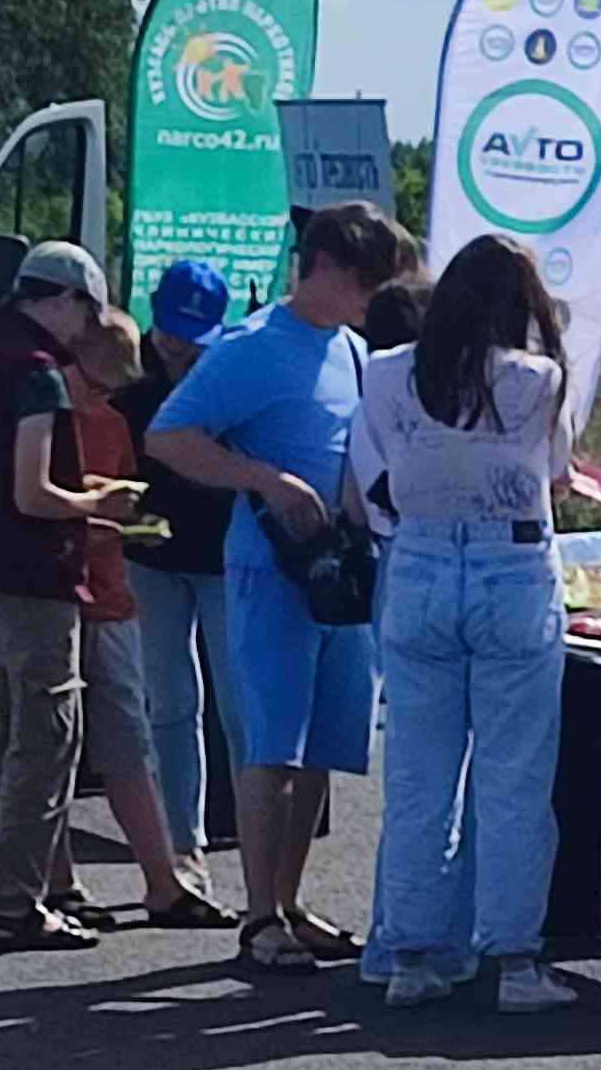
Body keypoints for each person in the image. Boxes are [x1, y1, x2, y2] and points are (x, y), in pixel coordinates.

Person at [147, 202, 421, 976]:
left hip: (342, 571)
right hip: (273, 569)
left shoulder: (354, 349)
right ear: (324, 264)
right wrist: (264, 480)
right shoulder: (250, 346)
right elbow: (168, 436)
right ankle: (260, 912)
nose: (373, 297)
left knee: (323, 747)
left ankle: (291, 902)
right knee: (271, 743)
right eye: (365, 279)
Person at [351, 232, 579, 1014]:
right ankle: (514, 961)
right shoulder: (539, 379)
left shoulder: (384, 373)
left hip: (417, 562)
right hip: (510, 568)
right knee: (514, 777)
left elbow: (376, 467)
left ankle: (410, 954)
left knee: (418, 778)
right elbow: (554, 470)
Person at [0, 241, 144, 952]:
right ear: (60, 299)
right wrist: (98, 503)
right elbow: (33, 492)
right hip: (30, 578)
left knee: (5, 735)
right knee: (46, 739)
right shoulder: (36, 375)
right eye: (85, 312)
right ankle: (17, 903)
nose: (87, 329)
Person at [55, 310, 226, 929]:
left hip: (161, 576)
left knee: (161, 725)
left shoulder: (122, 415)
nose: (179, 350)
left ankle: (176, 862)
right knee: (83, 733)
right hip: (104, 579)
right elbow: (48, 493)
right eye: (171, 336)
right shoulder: (74, 405)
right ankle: (68, 878)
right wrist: (107, 507)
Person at [115, 262, 241, 857]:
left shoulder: (231, 368)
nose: (178, 344)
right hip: (148, 552)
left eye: (192, 334)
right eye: (170, 329)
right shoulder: (127, 368)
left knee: (239, 705)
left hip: (221, 553)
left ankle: (249, 831)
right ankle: (178, 841)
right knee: (168, 700)